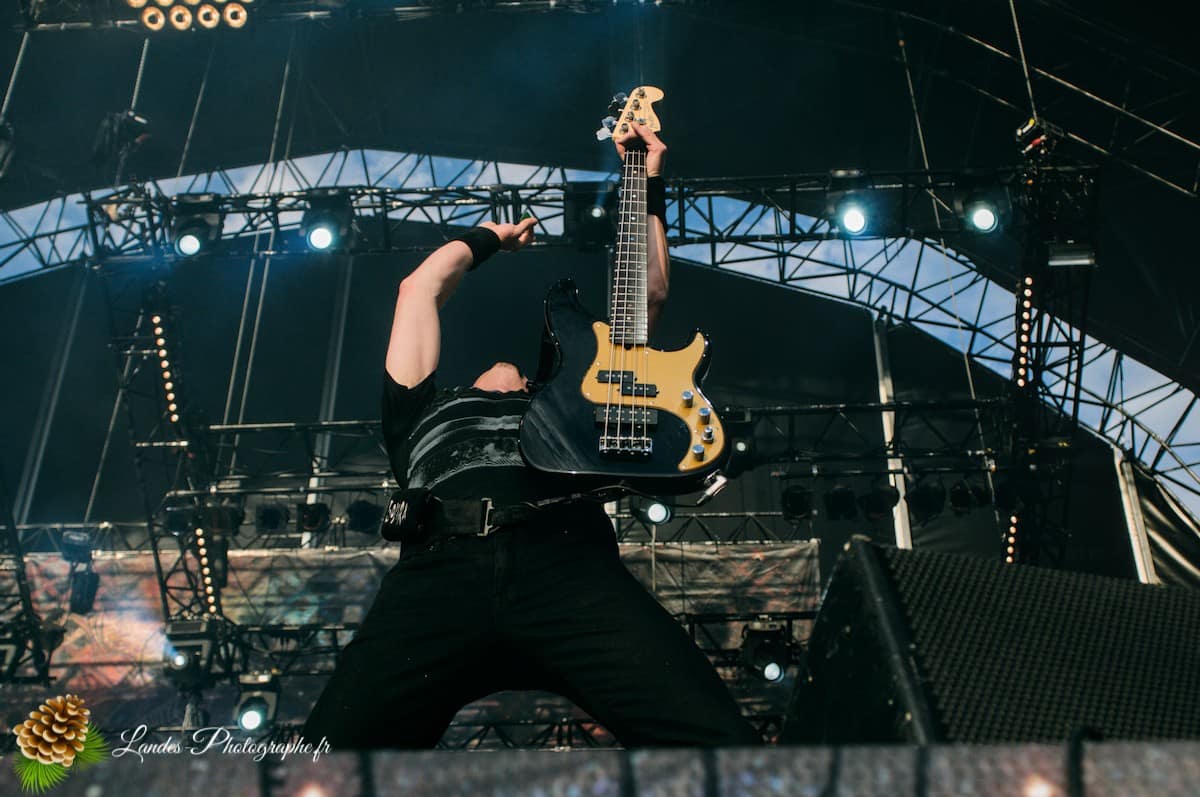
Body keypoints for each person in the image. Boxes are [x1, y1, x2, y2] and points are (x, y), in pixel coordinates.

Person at [303, 123, 759, 749]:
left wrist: (645, 181)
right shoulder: (420, 409)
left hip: (567, 563)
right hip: (441, 571)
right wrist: (490, 237)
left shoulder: (575, 400)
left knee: (717, 742)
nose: (507, 367)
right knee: (325, 762)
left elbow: (643, 297)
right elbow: (419, 290)